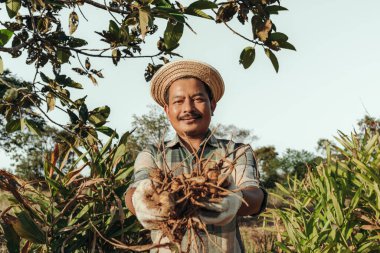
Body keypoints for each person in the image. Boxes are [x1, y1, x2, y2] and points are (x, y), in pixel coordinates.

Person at [125, 60, 267, 253]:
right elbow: (135, 189)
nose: (188, 108)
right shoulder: (152, 153)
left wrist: (235, 198)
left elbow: (254, 194)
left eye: (198, 99)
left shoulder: (236, 151)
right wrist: (140, 201)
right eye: (178, 101)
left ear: (213, 105)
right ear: (167, 110)